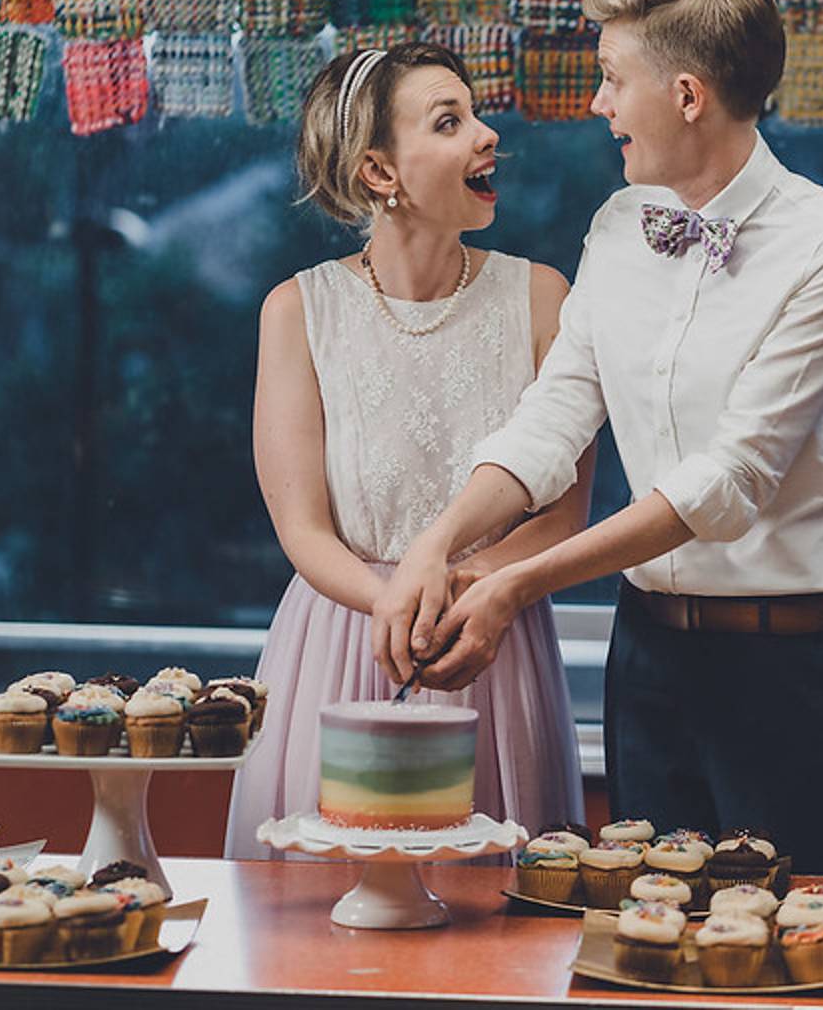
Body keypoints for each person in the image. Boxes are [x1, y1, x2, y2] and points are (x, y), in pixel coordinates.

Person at [371, 0, 823, 875]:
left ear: (687, 95)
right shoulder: (619, 226)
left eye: (614, 80)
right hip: (649, 667)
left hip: (801, 677)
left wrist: (513, 585)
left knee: (809, 959)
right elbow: (551, 422)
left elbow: (729, 482)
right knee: (646, 953)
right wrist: (439, 542)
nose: (598, 104)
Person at [224, 42, 590, 858]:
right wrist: (390, 602)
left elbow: (566, 516)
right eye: (450, 122)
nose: (487, 135)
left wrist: (467, 590)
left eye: (476, 114)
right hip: (338, 640)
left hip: (491, 641)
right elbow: (303, 529)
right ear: (379, 173)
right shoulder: (297, 311)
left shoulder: (541, 297)